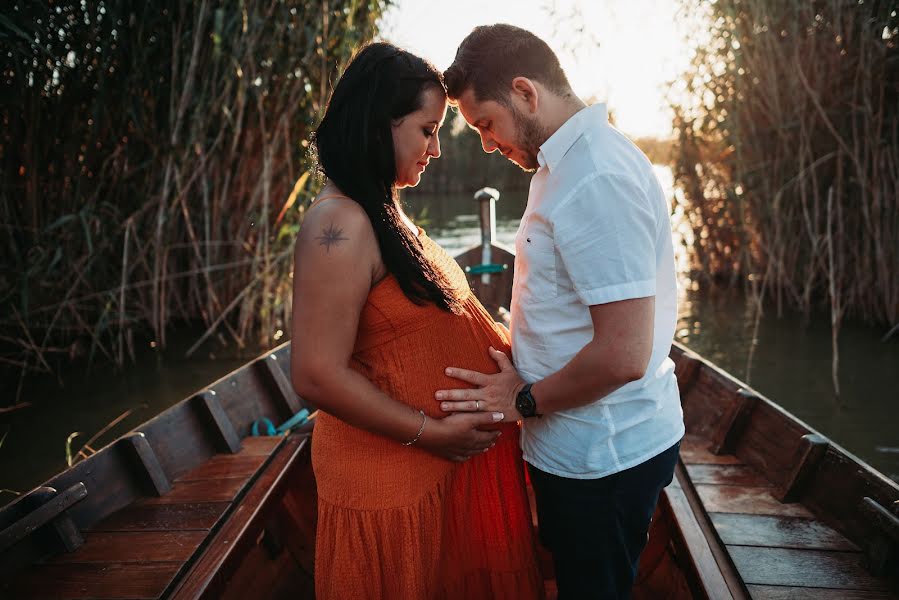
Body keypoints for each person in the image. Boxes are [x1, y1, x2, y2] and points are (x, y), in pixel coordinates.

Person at [436, 24, 685, 599]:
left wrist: (520, 401)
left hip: (603, 455)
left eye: (485, 125)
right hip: (581, 443)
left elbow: (622, 354)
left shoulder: (594, 176)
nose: (487, 144)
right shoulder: (562, 166)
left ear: (525, 92)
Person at [290, 42, 544, 600]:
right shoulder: (338, 223)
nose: (435, 149)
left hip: (438, 473)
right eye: (427, 130)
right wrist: (434, 434)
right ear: (381, 123)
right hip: (389, 484)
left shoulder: (383, 211)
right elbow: (314, 374)